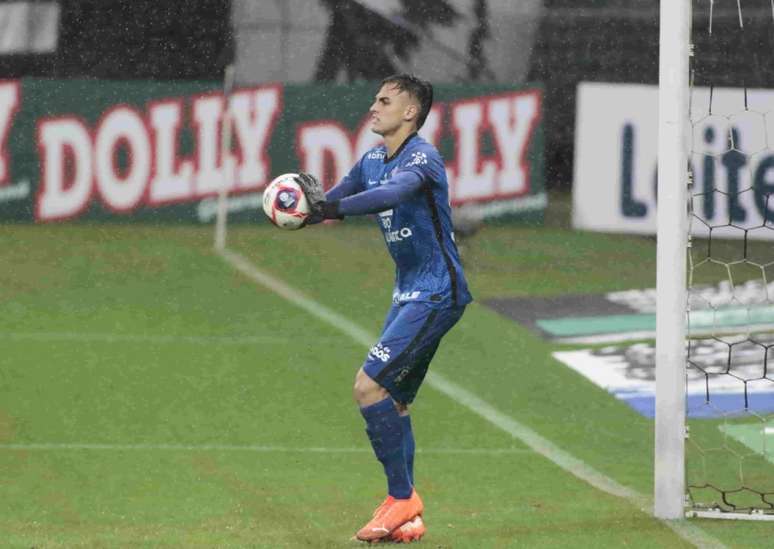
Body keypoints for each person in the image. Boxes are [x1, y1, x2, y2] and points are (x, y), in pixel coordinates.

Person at [295, 74, 472, 543]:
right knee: (395, 400)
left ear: (411, 112)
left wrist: (329, 211)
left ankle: (401, 498)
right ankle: (409, 514)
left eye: (385, 100)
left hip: (437, 292)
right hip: (408, 292)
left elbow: (390, 196)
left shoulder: (422, 158)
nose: (374, 107)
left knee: (367, 387)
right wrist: (302, 207)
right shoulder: (372, 159)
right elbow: (335, 199)